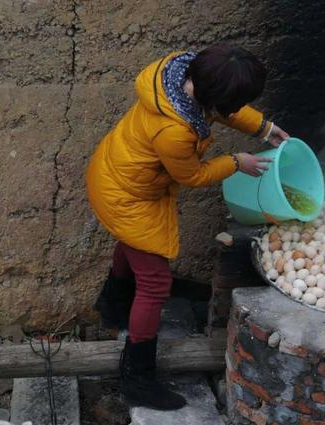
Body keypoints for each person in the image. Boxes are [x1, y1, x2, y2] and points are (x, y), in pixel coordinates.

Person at [85, 43, 289, 411]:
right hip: (127, 195)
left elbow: (223, 111)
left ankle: (113, 305)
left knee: (133, 245)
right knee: (155, 282)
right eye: (232, 103)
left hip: (117, 173)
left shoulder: (182, 75)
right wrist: (234, 162)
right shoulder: (174, 131)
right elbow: (193, 175)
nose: (230, 110)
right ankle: (138, 378)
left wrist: (265, 128)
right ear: (215, 97)